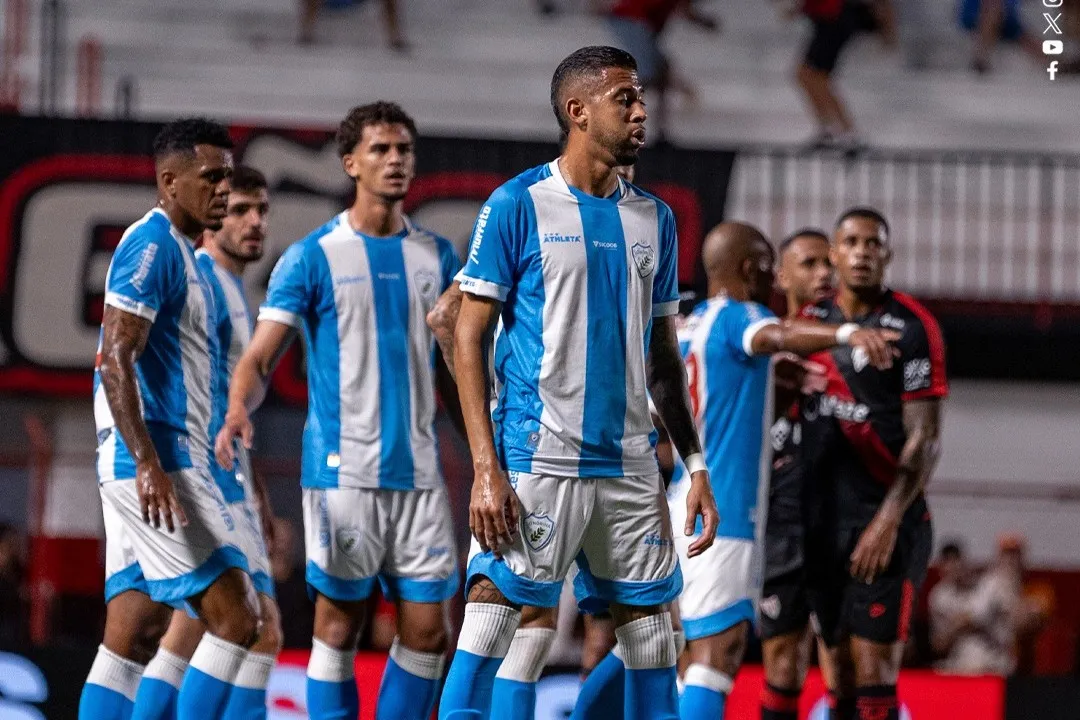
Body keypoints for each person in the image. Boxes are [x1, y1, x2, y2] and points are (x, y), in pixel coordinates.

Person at [438, 45, 719, 720]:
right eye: (625, 99)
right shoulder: (518, 204)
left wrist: (695, 464)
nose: (642, 111)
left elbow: (661, 359)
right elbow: (463, 334)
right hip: (538, 458)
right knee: (492, 622)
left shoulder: (656, 217)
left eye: (640, 97)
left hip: (627, 464)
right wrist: (484, 468)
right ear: (577, 111)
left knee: (654, 638)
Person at [216, 101, 462, 720]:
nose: (395, 160)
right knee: (337, 627)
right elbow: (259, 355)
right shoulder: (313, 256)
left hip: (421, 474)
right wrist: (238, 408)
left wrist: (488, 456)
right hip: (342, 473)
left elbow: (456, 372)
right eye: (380, 150)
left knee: (431, 634)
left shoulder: (439, 257)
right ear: (350, 163)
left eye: (404, 149)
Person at [659, 222, 897, 720]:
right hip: (724, 512)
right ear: (750, 268)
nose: (772, 279)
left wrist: (776, 388)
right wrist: (848, 332)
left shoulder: (687, 324)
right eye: (769, 266)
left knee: (671, 656)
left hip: (678, 503)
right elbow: (778, 332)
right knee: (715, 656)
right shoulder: (740, 316)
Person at [81, 118, 262, 720]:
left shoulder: (187, 256)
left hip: (148, 459)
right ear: (169, 181)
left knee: (132, 635)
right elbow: (115, 359)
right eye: (210, 178)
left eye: (227, 178)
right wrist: (150, 464)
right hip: (158, 460)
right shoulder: (153, 243)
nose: (222, 190)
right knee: (239, 620)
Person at [131, 165, 281, 720]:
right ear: (214, 217)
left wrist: (256, 486)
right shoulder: (201, 280)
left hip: (228, 473)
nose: (253, 222)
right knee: (254, 627)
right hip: (207, 475)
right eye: (241, 209)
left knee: (195, 628)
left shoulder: (230, 287)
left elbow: (225, 401)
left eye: (262, 210)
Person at [801, 207, 946, 720]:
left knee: (876, 676)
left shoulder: (912, 327)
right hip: (821, 527)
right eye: (852, 242)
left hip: (887, 524)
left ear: (887, 255)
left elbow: (925, 438)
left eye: (873, 244)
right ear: (835, 254)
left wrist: (887, 520)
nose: (862, 252)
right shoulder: (810, 323)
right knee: (836, 674)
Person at [759, 228, 835, 720]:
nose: (824, 272)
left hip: (842, 523)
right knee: (782, 666)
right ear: (781, 275)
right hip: (779, 528)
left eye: (828, 263)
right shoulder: (757, 343)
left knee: (846, 668)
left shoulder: (853, 341)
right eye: (809, 263)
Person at [787, 0, 896, 152]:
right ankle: (829, 128)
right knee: (805, 75)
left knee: (817, 78)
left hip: (833, 20)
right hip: (828, 20)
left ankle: (849, 133)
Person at [605, 0, 720, 143]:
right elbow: (685, 11)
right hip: (630, 20)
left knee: (660, 75)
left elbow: (685, 11)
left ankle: (660, 133)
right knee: (650, 76)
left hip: (636, 24)